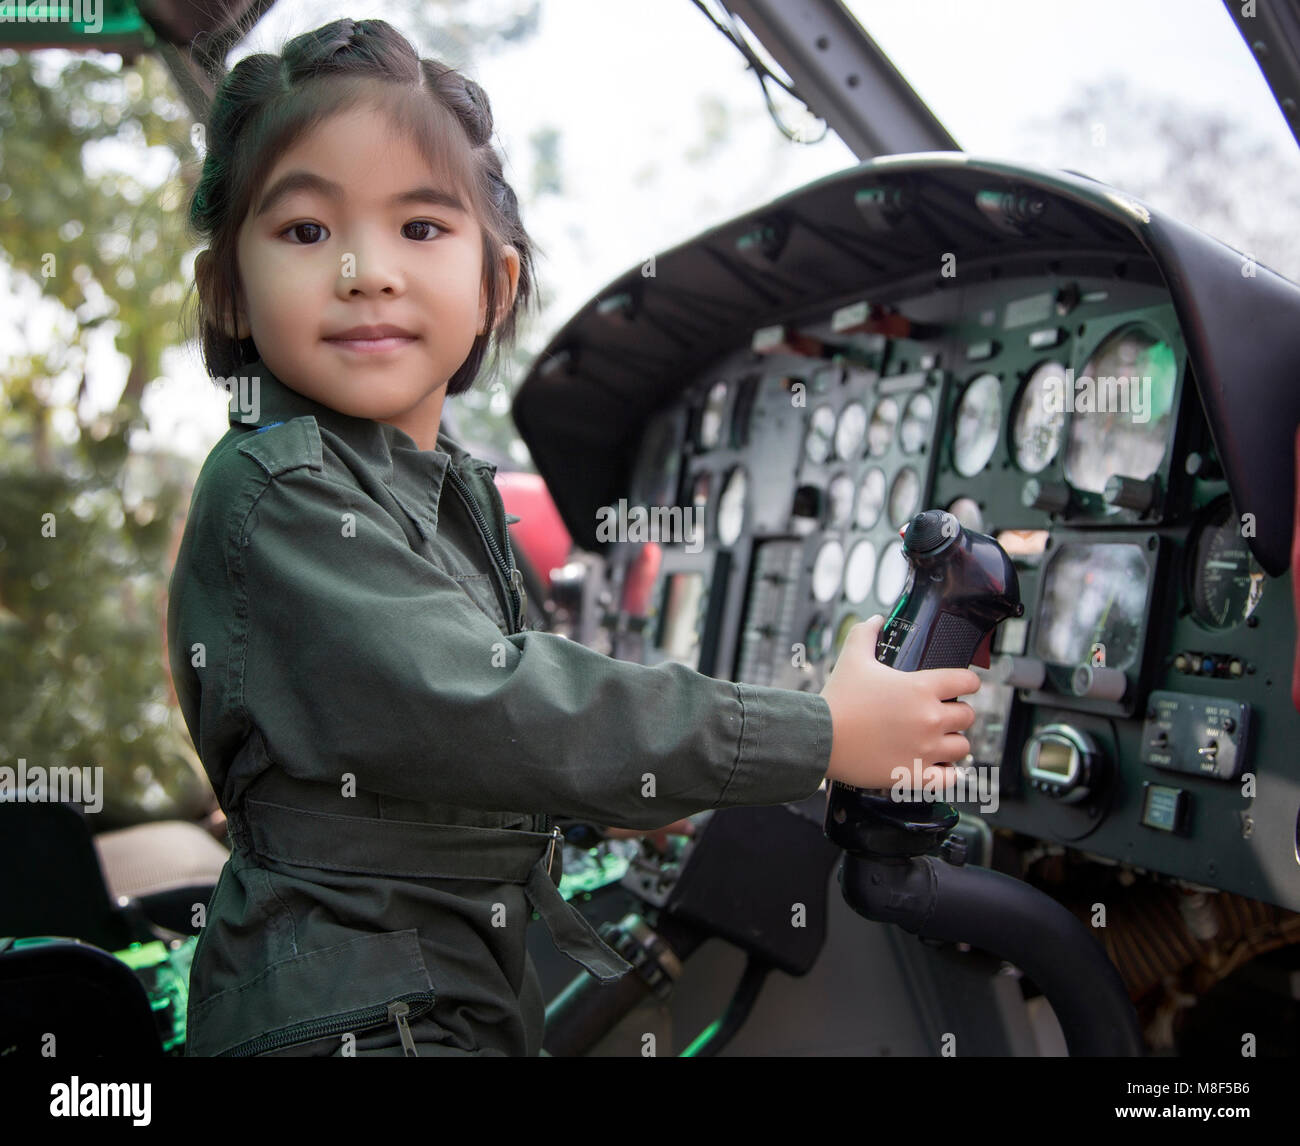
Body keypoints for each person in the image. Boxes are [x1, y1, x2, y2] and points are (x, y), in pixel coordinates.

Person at [166, 16, 981, 1058]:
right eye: (305, 232)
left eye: (419, 228)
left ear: (493, 286)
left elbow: (464, 755)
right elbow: (501, 709)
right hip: (360, 1021)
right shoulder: (279, 492)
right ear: (227, 290)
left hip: (425, 996)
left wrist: (634, 799)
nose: (364, 270)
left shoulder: (431, 489)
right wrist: (817, 734)